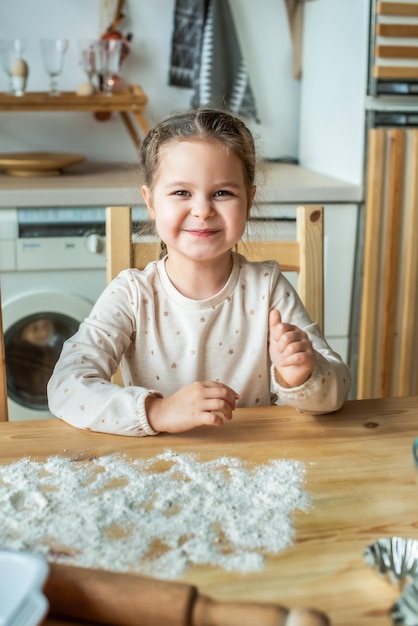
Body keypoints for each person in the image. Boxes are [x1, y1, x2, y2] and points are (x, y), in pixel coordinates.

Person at [47, 108, 351, 436]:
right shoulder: (132, 295)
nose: (203, 210)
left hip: (257, 462)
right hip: (159, 465)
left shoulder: (268, 287)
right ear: (150, 203)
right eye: (181, 193)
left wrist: (302, 375)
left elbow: (338, 389)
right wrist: (158, 411)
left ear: (249, 201)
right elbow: (65, 385)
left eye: (223, 193)